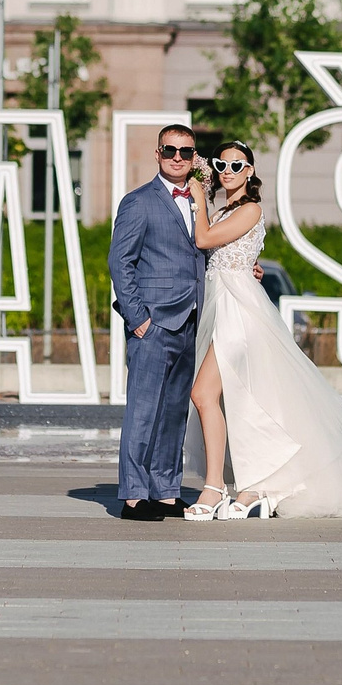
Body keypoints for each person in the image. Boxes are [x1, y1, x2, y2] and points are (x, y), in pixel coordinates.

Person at [181, 140, 342, 521]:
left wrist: (196, 196)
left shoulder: (250, 208)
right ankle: (250, 486)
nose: (227, 171)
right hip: (225, 304)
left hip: (241, 313)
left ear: (251, 171)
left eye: (237, 165)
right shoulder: (225, 208)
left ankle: (217, 487)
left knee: (204, 393)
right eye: (220, 165)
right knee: (244, 401)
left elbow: (204, 239)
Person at [105, 123, 208, 522]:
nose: (178, 158)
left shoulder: (199, 199)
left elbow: (202, 249)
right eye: (170, 151)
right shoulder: (138, 201)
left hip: (191, 320)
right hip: (153, 324)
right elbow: (120, 262)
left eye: (185, 152)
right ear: (158, 154)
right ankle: (133, 496)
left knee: (174, 413)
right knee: (143, 412)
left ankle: (165, 491)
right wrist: (138, 320)